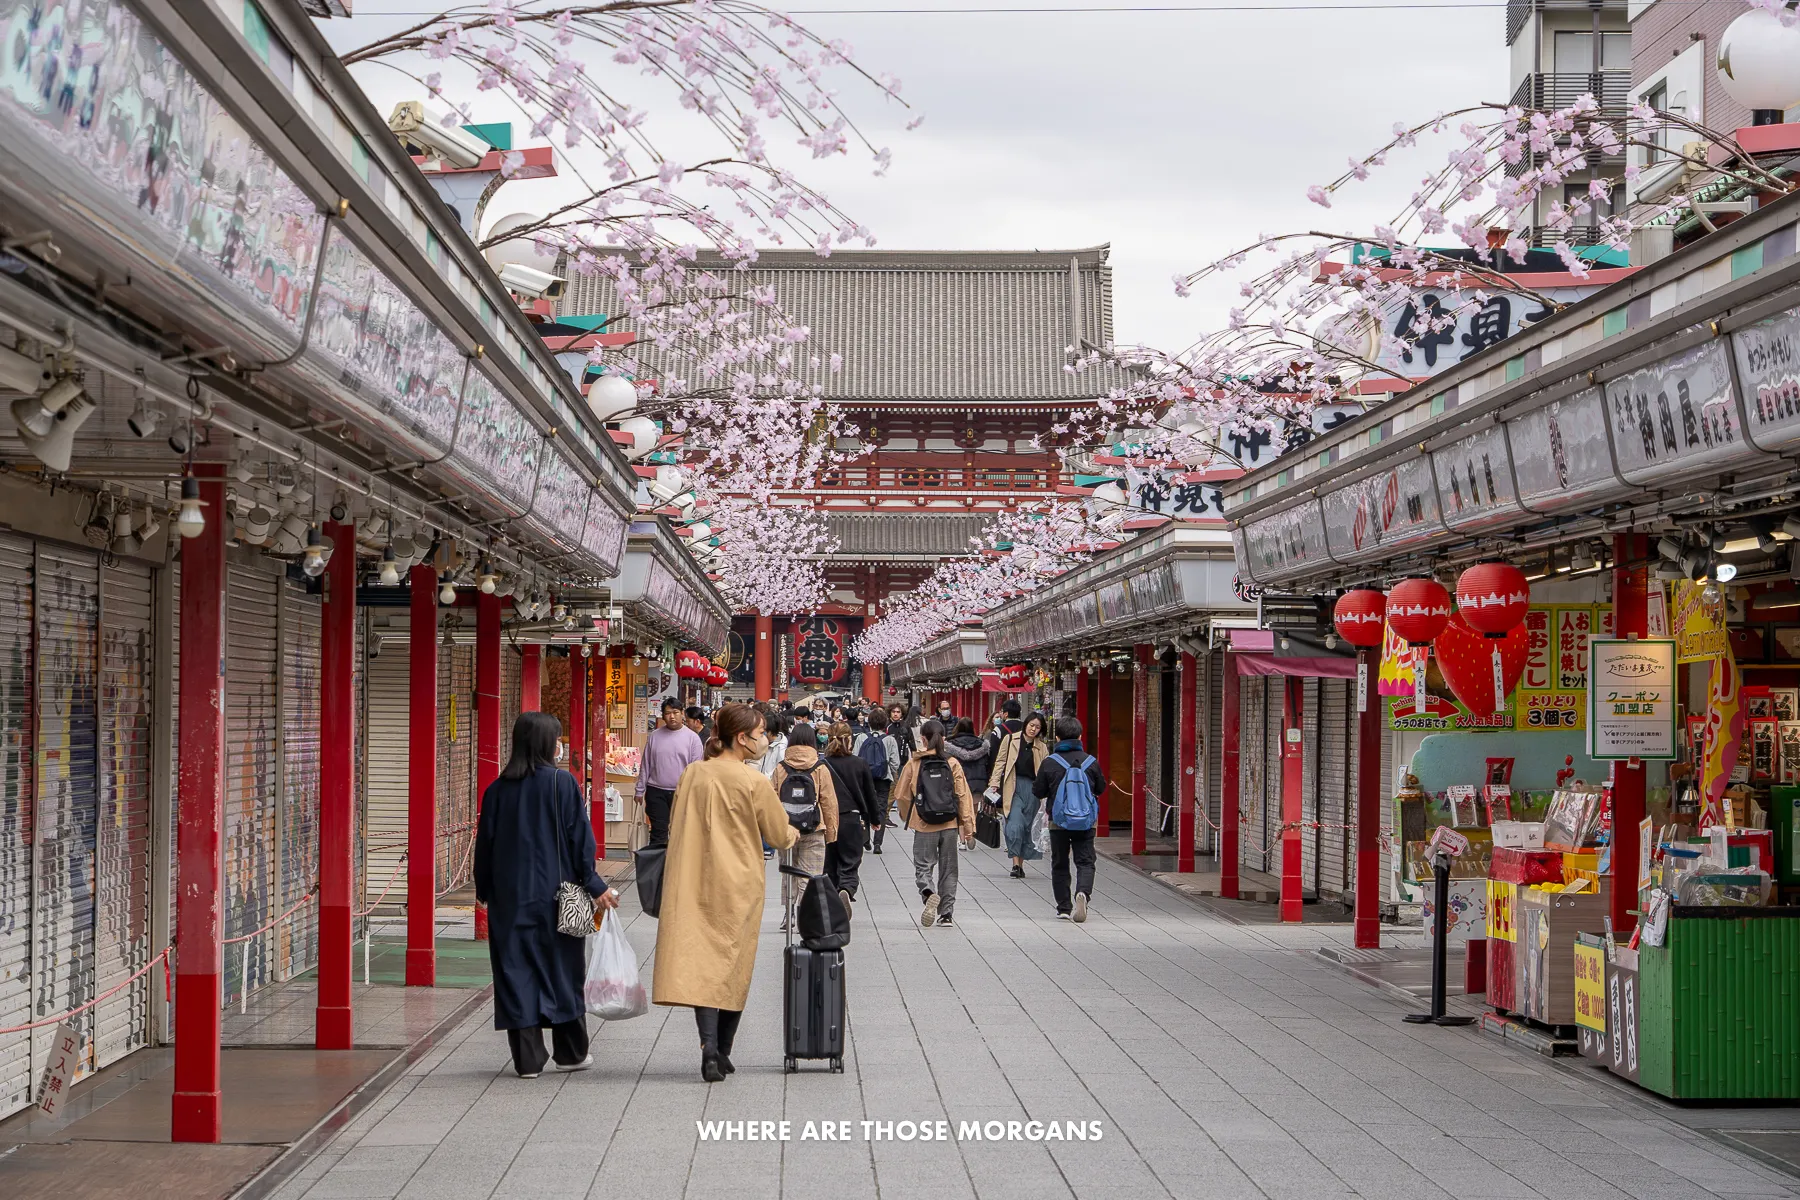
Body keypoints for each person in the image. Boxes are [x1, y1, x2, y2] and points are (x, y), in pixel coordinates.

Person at [653, 703, 799, 1081]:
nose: (764, 740)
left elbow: (674, 820)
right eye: (760, 734)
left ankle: (709, 1047)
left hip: (693, 878)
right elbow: (779, 834)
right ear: (741, 738)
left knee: (704, 963)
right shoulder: (753, 781)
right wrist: (797, 832)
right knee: (735, 963)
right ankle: (723, 1048)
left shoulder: (694, 773)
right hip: (738, 884)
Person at [474, 712, 620, 1079]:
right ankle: (570, 1053)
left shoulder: (496, 790)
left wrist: (483, 889)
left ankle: (527, 1060)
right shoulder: (562, 783)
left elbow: (485, 847)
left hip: (509, 898)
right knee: (561, 970)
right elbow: (579, 842)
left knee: (515, 971)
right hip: (558, 897)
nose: (560, 745)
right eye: (557, 738)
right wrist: (595, 887)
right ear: (546, 743)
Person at [893, 718, 976, 928]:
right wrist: (968, 827)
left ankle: (928, 892)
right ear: (944, 739)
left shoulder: (914, 763)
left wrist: (907, 816)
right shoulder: (952, 763)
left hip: (923, 823)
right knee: (949, 869)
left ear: (922, 739)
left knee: (923, 865)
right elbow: (963, 795)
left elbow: (901, 795)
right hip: (949, 824)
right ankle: (946, 914)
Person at [1032, 716, 1109, 923]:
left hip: (1058, 821)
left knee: (1059, 862)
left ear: (1057, 737)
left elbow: (1038, 791)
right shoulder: (1091, 762)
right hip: (1084, 821)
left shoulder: (1050, 762)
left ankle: (1064, 907)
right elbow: (1101, 788)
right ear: (1080, 736)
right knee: (1085, 861)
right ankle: (1082, 893)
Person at [770, 721, 840, 919]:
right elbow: (829, 802)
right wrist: (832, 833)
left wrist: (773, 829)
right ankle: (804, 912)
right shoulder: (820, 768)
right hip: (814, 827)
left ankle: (788, 914)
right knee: (810, 874)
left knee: (788, 872)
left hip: (786, 828)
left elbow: (771, 799)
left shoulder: (781, 768)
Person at [821, 721, 880, 908]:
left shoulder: (821, 764)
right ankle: (846, 888)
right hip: (851, 817)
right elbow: (870, 794)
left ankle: (832, 900)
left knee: (829, 863)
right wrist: (874, 819)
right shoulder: (859, 763)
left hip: (828, 819)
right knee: (850, 861)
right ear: (850, 740)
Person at [638, 698, 703, 846]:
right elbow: (646, 764)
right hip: (656, 791)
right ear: (662, 716)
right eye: (667, 713)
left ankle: (677, 867)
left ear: (682, 714)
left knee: (680, 833)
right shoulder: (654, 736)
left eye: (675, 712)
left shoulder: (693, 738)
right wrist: (639, 790)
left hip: (682, 792)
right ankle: (658, 868)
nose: (672, 717)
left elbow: (696, 769)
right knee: (658, 833)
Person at [995, 711, 1050, 878]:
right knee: (1014, 824)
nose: (1033, 729)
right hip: (1013, 786)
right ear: (1025, 724)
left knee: (1027, 826)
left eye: (1037, 727)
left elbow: (1045, 771)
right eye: (1031, 725)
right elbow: (1000, 761)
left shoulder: (1042, 747)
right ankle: (1014, 862)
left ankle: (1019, 865)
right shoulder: (1010, 739)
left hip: (1033, 790)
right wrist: (994, 783)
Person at [863, 708, 901, 855]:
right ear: (885, 723)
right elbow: (895, 762)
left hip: (865, 779)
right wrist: (889, 773)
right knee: (881, 809)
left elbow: (856, 758)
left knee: (864, 808)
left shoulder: (861, 737)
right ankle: (878, 843)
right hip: (884, 779)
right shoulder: (890, 740)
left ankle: (865, 840)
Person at [945, 717, 994, 802]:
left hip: (957, 786)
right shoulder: (982, 745)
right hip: (978, 786)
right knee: (974, 813)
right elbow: (988, 767)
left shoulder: (949, 745)